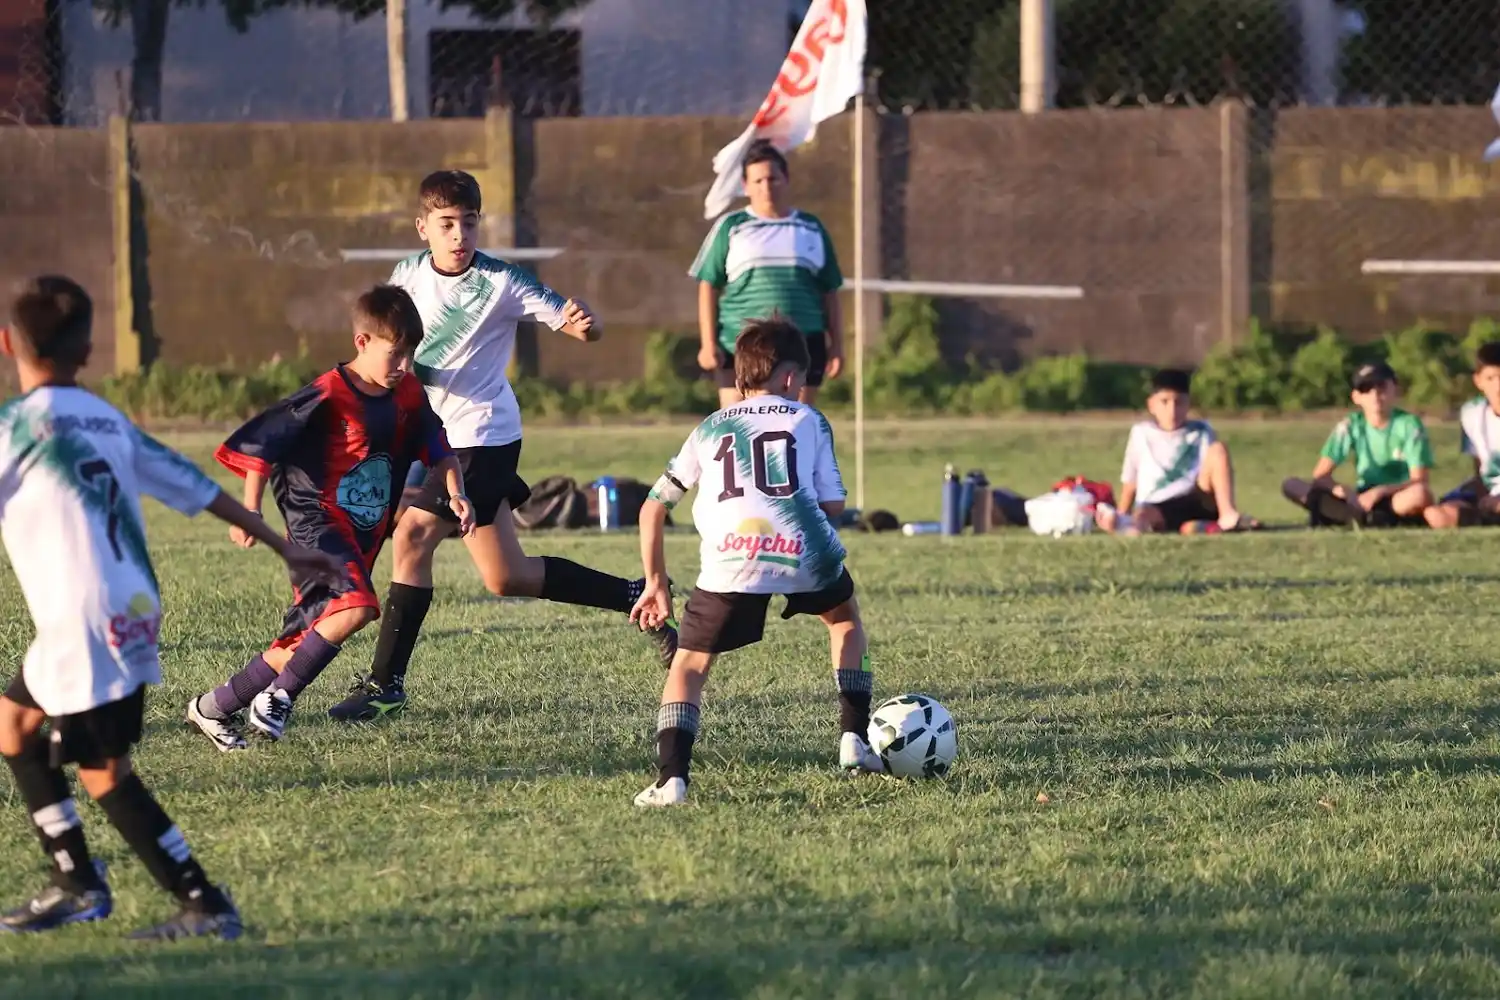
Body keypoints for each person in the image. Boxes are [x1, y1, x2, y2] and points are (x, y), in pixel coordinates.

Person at [0, 276, 343, 938]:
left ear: (9, 343)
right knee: (13, 725)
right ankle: (73, 879)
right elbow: (194, 486)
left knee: (104, 773)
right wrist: (284, 546)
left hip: (86, 621)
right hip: (122, 604)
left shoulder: (15, 428)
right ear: (89, 351)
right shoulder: (106, 419)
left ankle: (201, 902)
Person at [330, 170, 677, 724]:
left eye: (469, 223)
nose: (459, 235)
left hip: (481, 438)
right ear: (423, 227)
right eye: (447, 224)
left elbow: (577, 326)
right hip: (436, 437)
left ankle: (385, 684)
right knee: (505, 576)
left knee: (413, 536)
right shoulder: (407, 275)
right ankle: (636, 594)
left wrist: (585, 323)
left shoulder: (502, 281)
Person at [187, 285, 474, 749]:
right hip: (316, 523)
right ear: (362, 342)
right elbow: (264, 444)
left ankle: (211, 707)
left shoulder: (407, 394)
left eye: (411, 354)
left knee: (301, 643)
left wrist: (457, 494)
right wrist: (250, 510)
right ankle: (279, 697)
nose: (404, 365)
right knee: (357, 606)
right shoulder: (328, 392)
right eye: (395, 353)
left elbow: (439, 449)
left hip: (360, 533)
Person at [629, 316, 879, 808]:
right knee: (845, 621)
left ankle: (672, 780)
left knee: (690, 665)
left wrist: (656, 582)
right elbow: (832, 505)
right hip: (805, 550)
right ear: (788, 378)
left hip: (731, 560)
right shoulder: (808, 419)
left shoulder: (710, 427)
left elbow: (652, 507)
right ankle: (854, 738)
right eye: (802, 380)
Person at [692, 140, 845, 409]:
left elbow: (829, 291)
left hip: (802, 342)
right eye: (758, 180)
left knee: (796, 422)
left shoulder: (810, 227)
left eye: (773, 178)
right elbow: (708, 284)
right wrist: (708, 343)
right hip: (741, 342)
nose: (766, 187)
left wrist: (837, 346)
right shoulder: (732, 227)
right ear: (746, 185)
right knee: (738, 423)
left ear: (786, 179)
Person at [1094, 369, 1259, 535]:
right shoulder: (1141, 433)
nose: (1172, 410)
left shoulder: (1201, 431)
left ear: (1188, 404)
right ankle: (1188, 527)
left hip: (1194, 499)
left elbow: (1211, 475)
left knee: (1218, 450)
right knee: (1142, 516)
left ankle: (1227, 515)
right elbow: (1131, 481)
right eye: (1164, 402)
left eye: (1179, 402)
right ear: (1152, 405)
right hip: (1157, 504)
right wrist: (1122, 513)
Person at [1282, 361, 1434, 528]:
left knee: (1420, 494)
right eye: (1366, 389)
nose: (1375, 394)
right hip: (1361, 496)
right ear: (1356, 397)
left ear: (1396, 390)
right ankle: (1365, 517)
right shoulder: (1350, 425)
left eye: (1381, 386)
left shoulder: (1409, 425)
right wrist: (1338, 489)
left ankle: (1348, 516)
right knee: (1291, 485)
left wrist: (1380, 491)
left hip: (1394, 495)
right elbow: (1320, 475)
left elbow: (1419, 479)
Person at [1425, 343, 1500, 528]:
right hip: (1490, 491)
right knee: (1435, 514)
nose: (1498, 386)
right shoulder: (1472, 413)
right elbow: (1478, 466)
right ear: (1478, 381)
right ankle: (1486, 518)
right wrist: (1484, 499)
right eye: (1491, 378)